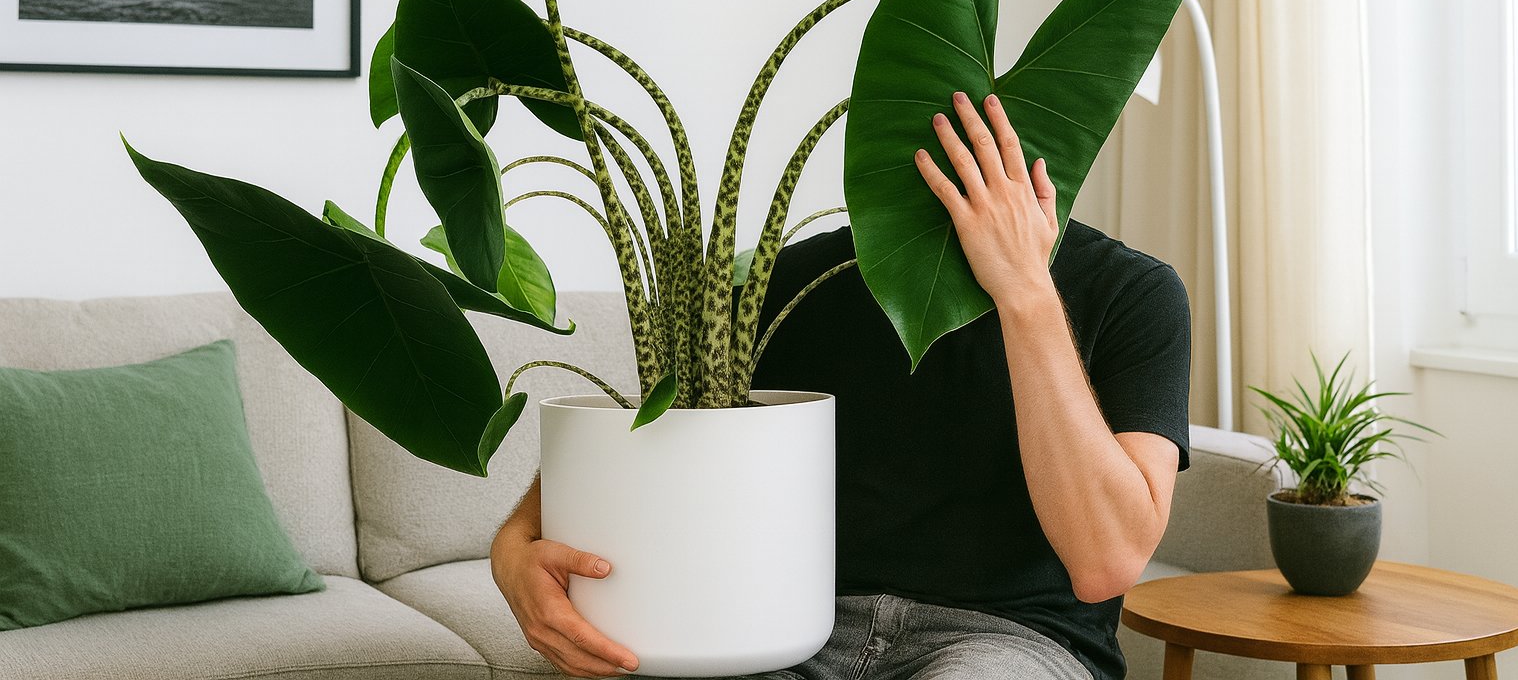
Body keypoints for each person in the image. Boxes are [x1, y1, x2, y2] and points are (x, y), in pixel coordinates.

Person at [490, 91, 1191, 680]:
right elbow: (639, 448)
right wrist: (512, 553)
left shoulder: (1132, 293)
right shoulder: (784, 285)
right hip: (789, 628)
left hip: (1013, 641)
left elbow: (1106, 563)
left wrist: (1025, 294)